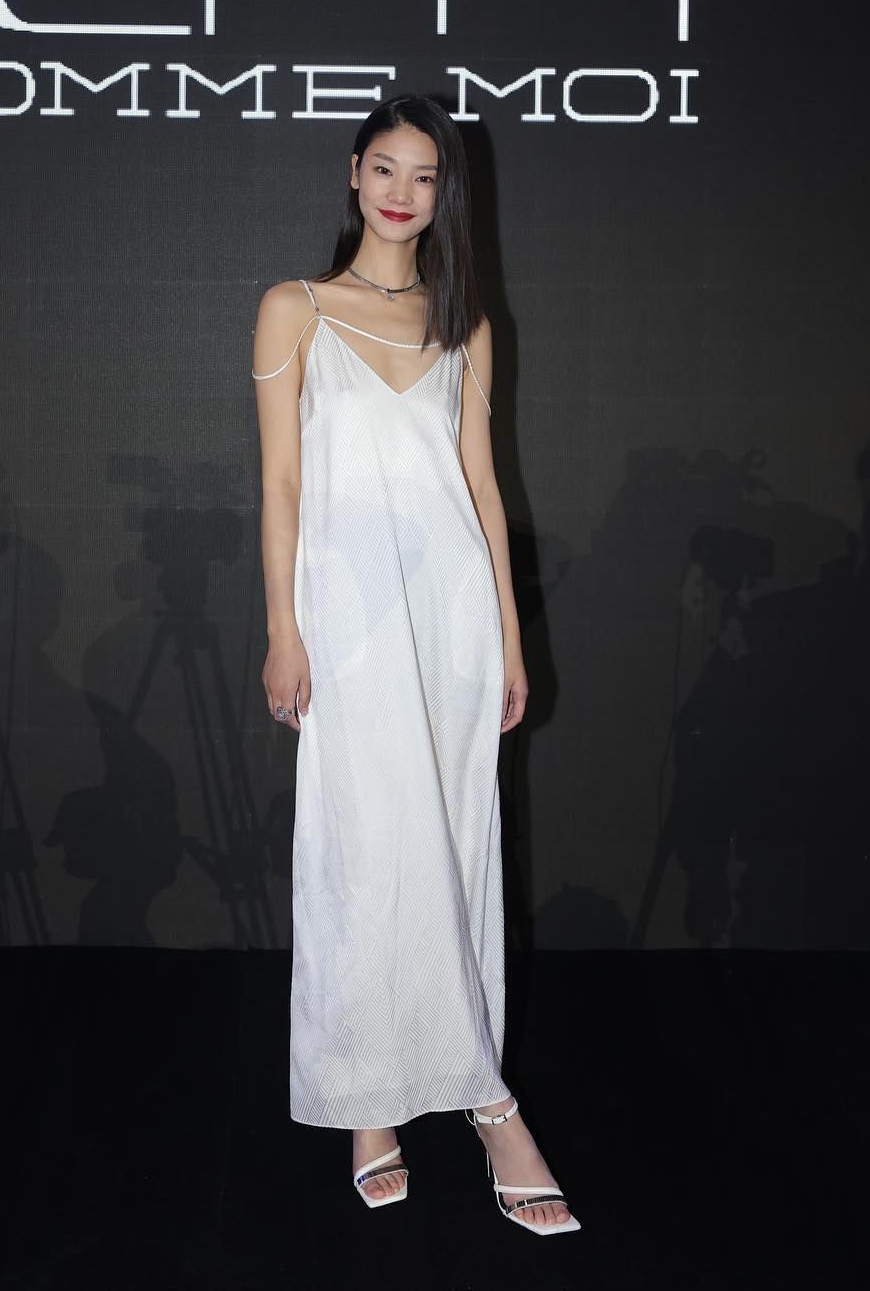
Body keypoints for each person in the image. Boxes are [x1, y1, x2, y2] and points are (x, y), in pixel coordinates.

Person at [250, 94, 580, 1236]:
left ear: (447, 193)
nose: (402, 190)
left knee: (455, 846)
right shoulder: (293, 307)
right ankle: (374, 1096)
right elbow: (280, 482)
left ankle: (478, 1091)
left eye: (425, 174)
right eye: (384, 166)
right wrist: (283, 628)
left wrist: (510, 633)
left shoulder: (466, 322)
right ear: (353, 173)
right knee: (361, 854)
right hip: (345, 621)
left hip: (452, 619)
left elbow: (483, 486)